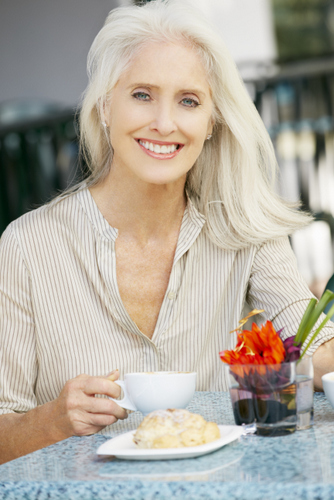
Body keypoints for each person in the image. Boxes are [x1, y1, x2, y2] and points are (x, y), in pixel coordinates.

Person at [1, 0, 334, 464]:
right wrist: (53, 419)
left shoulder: (244, 230)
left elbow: (315, 349)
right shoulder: (25, 246)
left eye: (189, 101)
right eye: (142, 94)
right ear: (103, 106)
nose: (164, 123)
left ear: (211, 122)